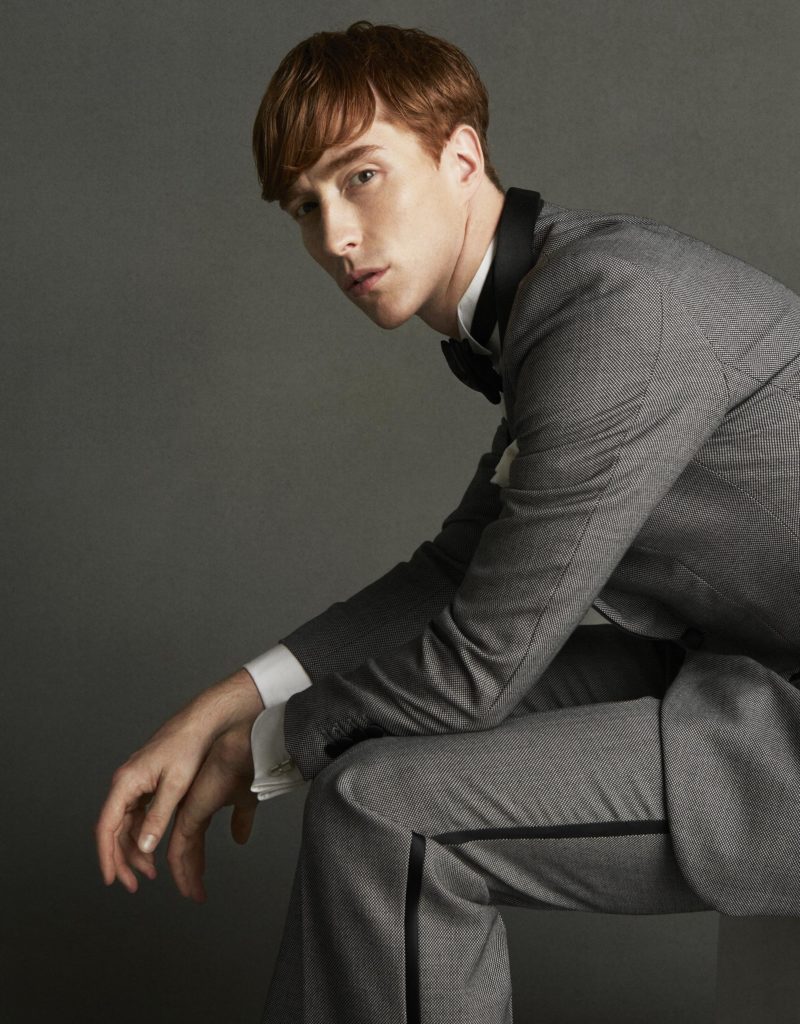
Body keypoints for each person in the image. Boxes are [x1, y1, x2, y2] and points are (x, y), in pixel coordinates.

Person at [95, 19, 800, 1024]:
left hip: (774, 702)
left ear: (461, 157)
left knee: (382, 810)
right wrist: (225, 704)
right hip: (739, 663)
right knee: (369, 776)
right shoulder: (555, 297)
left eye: (361, 177)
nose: (336, 236)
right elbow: (454, 571)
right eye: (306, 206)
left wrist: (264, 748)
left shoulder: (614, 316)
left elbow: (477, 667)